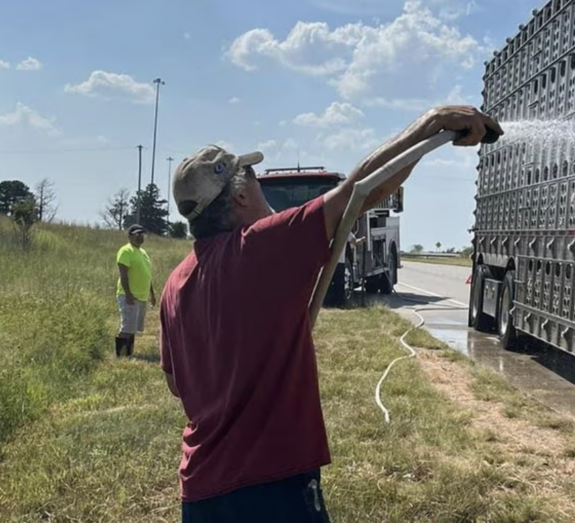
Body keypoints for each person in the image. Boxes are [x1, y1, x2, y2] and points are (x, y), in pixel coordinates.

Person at [157, 104, 502, 522]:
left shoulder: (175, 284)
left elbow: (177, 385)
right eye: (252, 176)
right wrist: (431, 125)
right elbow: (361, 190)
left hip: (201, 493)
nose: (258, 183)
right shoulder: (260, 247)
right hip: (269, 487)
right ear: (241, 195)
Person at [115, 223, 155, 357]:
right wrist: (128, 294)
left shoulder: (143, 253)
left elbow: (147, 274)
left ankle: (129, 353)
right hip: (130, 296)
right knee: (127, 327)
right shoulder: (126, 251)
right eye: (137, 234)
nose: (140, 237)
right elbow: (123, 274)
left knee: (133, 328)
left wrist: (152, 294)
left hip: (141, 296)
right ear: (130, 236)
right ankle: (121, 355)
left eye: (142, 234)